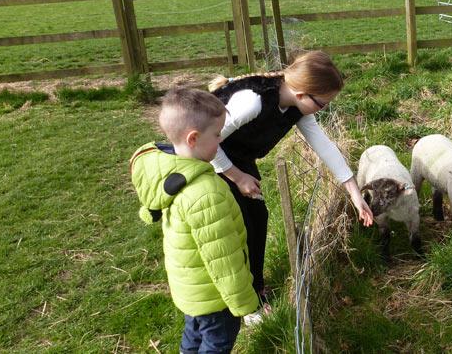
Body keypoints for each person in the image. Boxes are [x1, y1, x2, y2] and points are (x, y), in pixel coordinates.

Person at [208, 50, 374, 303]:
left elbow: (324, 146)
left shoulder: (296, 107)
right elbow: (208, 140)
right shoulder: (252, 102)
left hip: (238, 158)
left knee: (257, 219)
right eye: (322, 103)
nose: (324, 108)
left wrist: (355, 194)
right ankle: (242, 300)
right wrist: (238, 177)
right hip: (209, 158)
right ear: (301, 93)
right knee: (236, 227)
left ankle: (254, 287)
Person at [129, 87, 263, 354]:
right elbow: (222, 257)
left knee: (194, 333)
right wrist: (245, 303)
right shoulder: (206, 193)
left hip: (190, 288)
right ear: (193, 138)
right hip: (214, 296)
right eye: (217, 134)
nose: (220, 140)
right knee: (217, 342)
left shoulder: (172, 170)